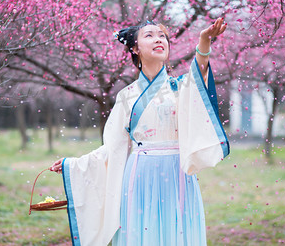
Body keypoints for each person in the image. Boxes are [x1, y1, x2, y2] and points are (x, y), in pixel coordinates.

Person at [50, 18, 230, 246]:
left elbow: (200, 76)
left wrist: (204, 41)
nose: (158, 39)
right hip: (139, 177)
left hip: (177, 175)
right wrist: (73, 165)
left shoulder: (181, 87)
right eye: (149, 35)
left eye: (162, 35)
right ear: (135, 48)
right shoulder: (126, 96)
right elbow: (114, 148)